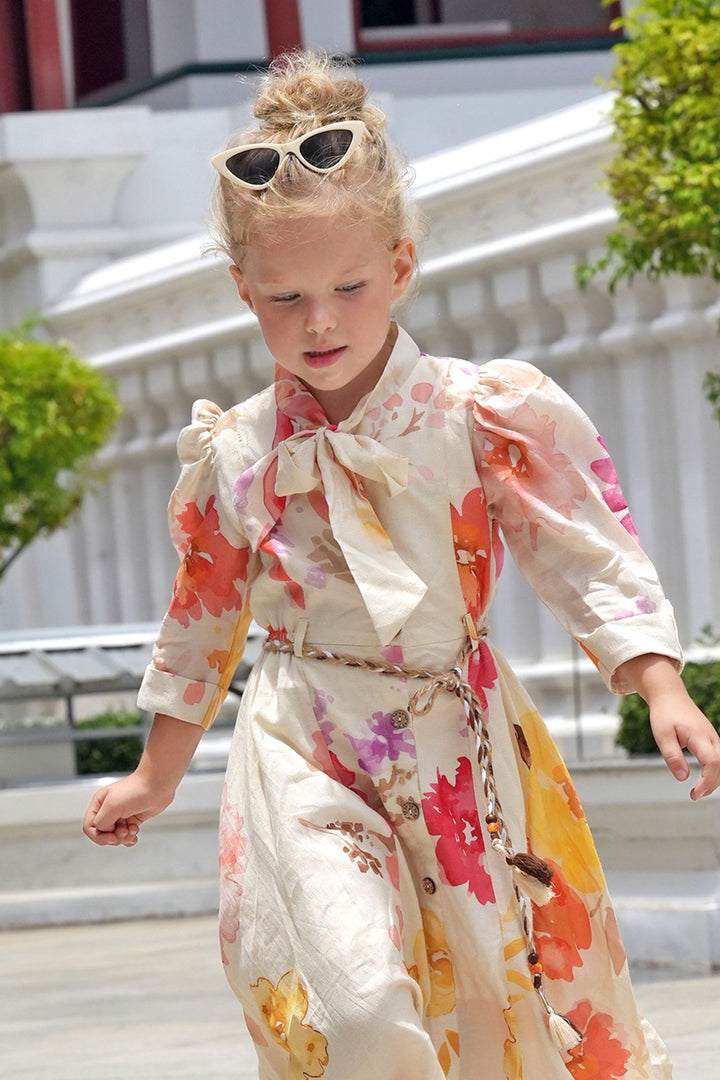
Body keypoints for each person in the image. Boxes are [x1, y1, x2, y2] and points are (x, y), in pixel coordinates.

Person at [83, 52, 720, 1080]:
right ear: (245, 291)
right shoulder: (235, 454)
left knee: (496, 1006)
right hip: (301, 741)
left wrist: (658, 682)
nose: (320, 320)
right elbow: (201, 617)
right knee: (363, 1002)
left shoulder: (478, 414)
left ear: (402, 266)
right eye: (286, 296)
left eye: (349, 286)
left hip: (455, 735)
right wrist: (155, 775)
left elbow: (581, 548)